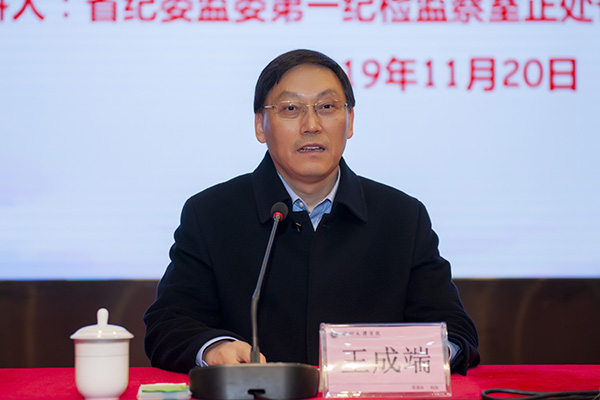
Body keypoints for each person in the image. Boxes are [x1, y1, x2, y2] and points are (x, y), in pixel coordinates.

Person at [144, 49, 480, 376]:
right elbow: (168, 324)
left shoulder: (402, 217)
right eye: (291, 108)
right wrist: (214, 348)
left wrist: (423, 357)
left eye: (327, 107)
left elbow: (455, 330)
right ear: (260, 126)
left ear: (350, 121)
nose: (311, 125)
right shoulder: (211, 214)